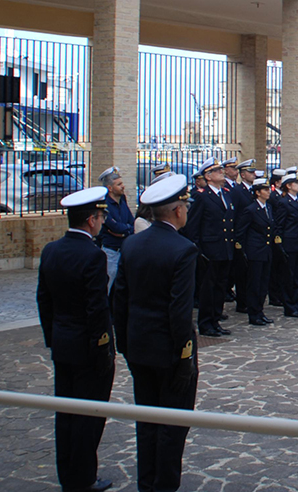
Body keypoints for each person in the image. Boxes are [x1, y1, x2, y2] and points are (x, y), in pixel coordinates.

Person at [111, 173, 198, 492]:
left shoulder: (133, 243)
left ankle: (147, 482)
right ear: (177, 211)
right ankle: (164, 485)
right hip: (170, 352)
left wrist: (124, 344)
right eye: (185, 206)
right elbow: (179, 312)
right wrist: (185, 356)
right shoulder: (183, 249)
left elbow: (120, 299)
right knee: (173, 426)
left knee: (146, 422)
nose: (187, 211)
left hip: (139, 347)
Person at [36, 186, 115, 492]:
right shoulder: (93, 256)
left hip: (63, 344)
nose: (101, 222)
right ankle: (83, 478)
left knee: (65, 412)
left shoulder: (51, 250)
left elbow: (44, 300)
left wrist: (53, 338)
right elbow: (97, 309)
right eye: (100, 216)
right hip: (87, 348)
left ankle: (67, 473)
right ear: (92, 220)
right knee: (89, 416)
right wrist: (103, 348)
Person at [181, 159, 236, 338]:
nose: (221, 172)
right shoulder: (202, 196)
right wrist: (198, 250)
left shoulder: (226, 194)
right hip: (209, 250)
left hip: (224, 247)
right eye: (217, 170)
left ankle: (215, 319)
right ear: (208, 176)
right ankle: (206, 323)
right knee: (208, 288)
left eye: (221, 169)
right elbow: (193, 225)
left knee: (220, 286)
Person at [234, 176, 275, 326]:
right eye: (265, 190)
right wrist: (244, 251)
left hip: (266, 250)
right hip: (255, 251)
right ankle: (253, 313)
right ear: (257, 193)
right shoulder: (251, 209)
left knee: (263, 284)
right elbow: (241, 232)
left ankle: (260, 310)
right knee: (254, 284)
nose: (268, 192)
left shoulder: (268, 207)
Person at [273, 173, 298, 317]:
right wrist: (280, 244)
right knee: (289, 277)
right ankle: (290, 305)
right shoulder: (284, 202)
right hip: (290, 243)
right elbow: (279, 226)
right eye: (296, 183)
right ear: (288, 186)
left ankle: (296, 303)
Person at [98, 166, 134, 291]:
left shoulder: (122, 201)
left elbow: (131, 222)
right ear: (110, 188)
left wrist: (125, 232)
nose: (123, 186)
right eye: (119, 184)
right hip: (111, 251)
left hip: (124, 249)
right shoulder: (105, 204)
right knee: (107, 286)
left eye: (122, 183)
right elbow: (115, 227)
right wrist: (126, 230)